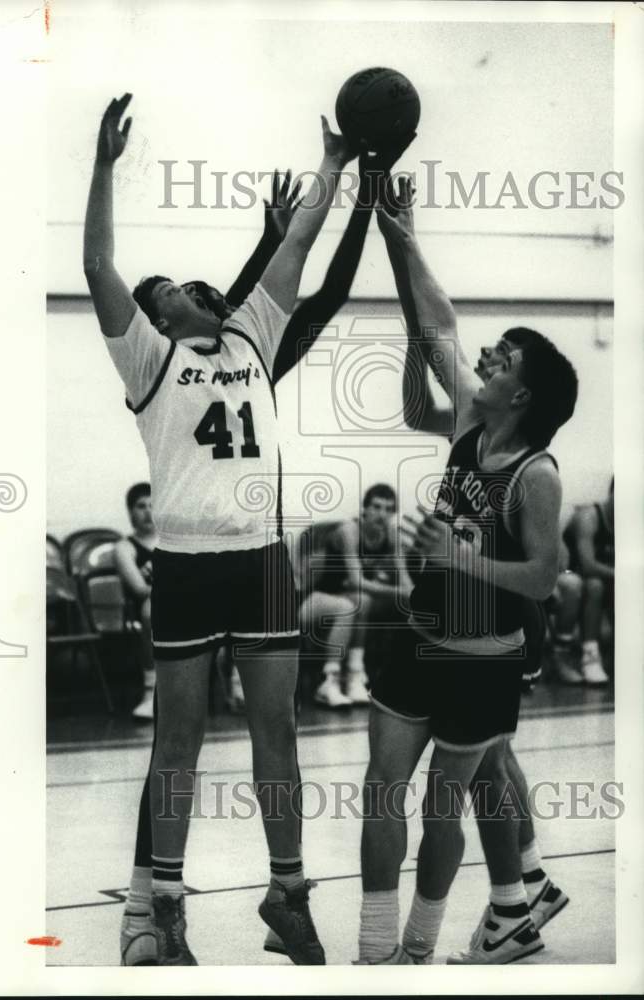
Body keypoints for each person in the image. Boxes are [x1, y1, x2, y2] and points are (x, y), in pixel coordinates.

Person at [84, 92, 359, 966]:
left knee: (278, 731)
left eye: (187, 284)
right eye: (168, 291)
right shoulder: (149, 360)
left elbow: (300, 243)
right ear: (160, 319)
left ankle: (288, 894)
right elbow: (97, 265)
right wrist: (101, 167)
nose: (188, 289)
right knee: (181, 740)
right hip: (189, 565)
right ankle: (162, 907)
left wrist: (333, 166)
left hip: (262, 561)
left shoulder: (252, 338)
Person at [356, 176, 578, 966]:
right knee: (384, 785)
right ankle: (382, 947)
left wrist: (462, 559)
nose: (486, 357)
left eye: (504, 356)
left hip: (487, 650)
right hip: (421, 632)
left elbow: (545, 580)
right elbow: (438, 325)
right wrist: (399, 234)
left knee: (454, 799)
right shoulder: (469, 422)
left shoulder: (536, 474)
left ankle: (446, 934)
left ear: (521, 394)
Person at [298, 484, 412, 708]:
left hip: (348, 596)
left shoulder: (392, 535)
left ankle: (355, 677)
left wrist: (413, 595)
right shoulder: (349, 530)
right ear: (365, 509)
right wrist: (400, 592)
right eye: (377, 507)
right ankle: (327, 682)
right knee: (349, 605)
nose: (382, 514)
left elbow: (405, 579)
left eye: (389, 509)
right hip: (314, 597)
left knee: (363, 601)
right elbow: (356, 580)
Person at [558, 479, 614, 685]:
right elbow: (588, 565)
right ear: (612, 494)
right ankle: (590, 654)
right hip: (569, 574)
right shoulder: (589, 517)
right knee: (594, 585)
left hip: (604, 577)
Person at [114, 482, 158, 719]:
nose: (148, 512)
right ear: (131, 512)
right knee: (153, 609)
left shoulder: (175, 541)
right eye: (141, 506)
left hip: (185, 603)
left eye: (154, 505)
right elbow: (140, 589)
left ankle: (237, 687)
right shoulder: (124, 547)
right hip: (145, 608)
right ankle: (151, 692)